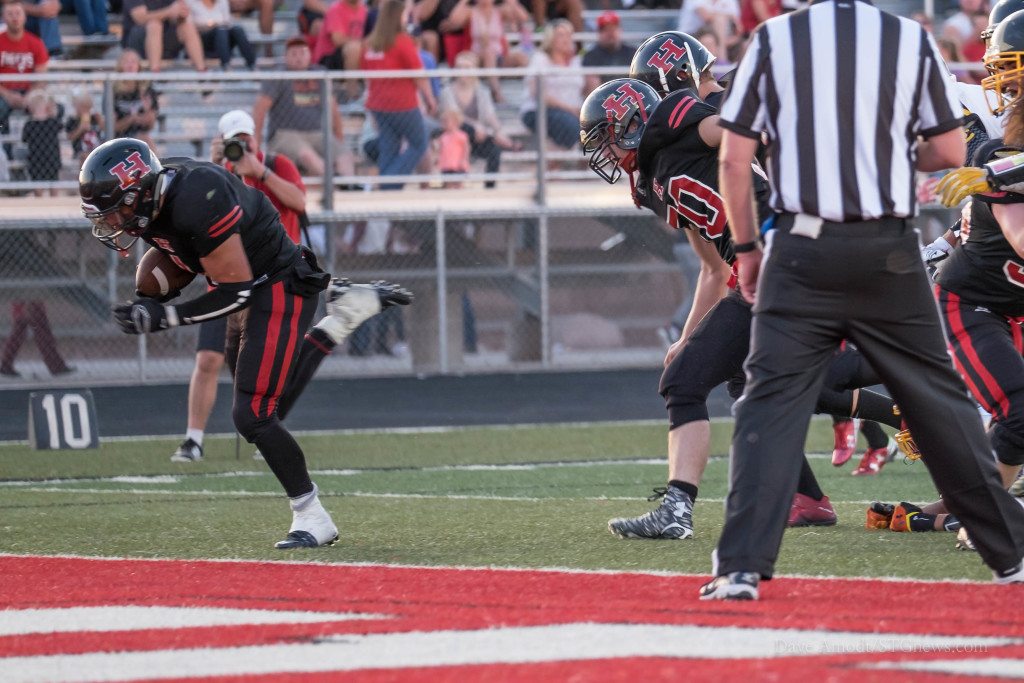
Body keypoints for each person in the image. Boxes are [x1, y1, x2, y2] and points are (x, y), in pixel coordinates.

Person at [704, 0, 1024, 600]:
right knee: (939, 403)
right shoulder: (908, 39)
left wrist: (746, 247)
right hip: (888, 246)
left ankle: (740, 567)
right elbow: (950, 154)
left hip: (801, 246)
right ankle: (1010, 556)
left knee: (769, 404)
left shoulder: (773, 39)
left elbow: (734, 157)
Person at [80, 137, 412, 547]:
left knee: (252, 413)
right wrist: (153, 294)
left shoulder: (198, 199)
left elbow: (236, 289)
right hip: (248, 285)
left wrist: (165, 316)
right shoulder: (157, 196)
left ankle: (311, 514)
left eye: (117, 210)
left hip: (277, 283)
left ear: (140, 192)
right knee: (263, 409)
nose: (112, 223)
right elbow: (197, 262)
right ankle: (340, 320)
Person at [172, 110, 308, 462]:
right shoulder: (215, 175)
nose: (241, 147)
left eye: (245, 140)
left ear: (255, 138)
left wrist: (259, 171)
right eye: (234, 142)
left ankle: (267, 432)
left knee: (265, 368)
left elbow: (299, 201)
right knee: (207, 359)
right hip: (227, 282)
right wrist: (218, 166)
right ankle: (193, 439)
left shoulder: (277, 164)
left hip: (271, 282)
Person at [252, 36, 356, 185]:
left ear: (310, 56)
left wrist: (338, 139)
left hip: (316, 133)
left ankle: (349, 185)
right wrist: (257, 141)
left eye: (302, 53)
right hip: (285, 134)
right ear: (286, 57)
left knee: (345, 154)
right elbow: (260, 108)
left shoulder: (319, 74)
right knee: (307, 155)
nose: (299, 58)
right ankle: (333, 184)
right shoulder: (278, 76)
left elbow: (333, 109)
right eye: (294, 54)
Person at [359, 0, 436, 190]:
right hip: (402, 104)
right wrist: (430, 99)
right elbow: (419, 75)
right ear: (397, 16)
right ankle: (388, 184)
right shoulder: (402, 41)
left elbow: (366, 78)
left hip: (379, 105)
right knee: (419, 144)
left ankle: (387, 189)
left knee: (389, 148)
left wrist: (370, 108)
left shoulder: (369, 44)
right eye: (404, 14)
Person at [438, 50, 521, 189]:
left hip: (477, 138)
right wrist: (476, 126)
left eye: (467, 68)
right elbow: (454, 117)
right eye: (460, 68)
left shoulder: (482, 91)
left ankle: (490, 188)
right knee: (465, 128)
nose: (463, 72)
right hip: (455, 136)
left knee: (495, 150)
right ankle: (509, 144)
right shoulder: (447, 92)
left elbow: (490, 115)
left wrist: (498, 130)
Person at [520, 19, 583, 152]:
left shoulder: (577, 61)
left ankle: (558, 163)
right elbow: (537, 93)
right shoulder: (540, 59)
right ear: (551, 38)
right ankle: (553, 164)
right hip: (540, 110)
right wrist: (570, 109)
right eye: (561, 35)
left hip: (571, 113)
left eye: (569, 34)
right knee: (572, 126)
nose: (566, 39)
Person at [0, 2, 48, 137]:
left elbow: (41, 78)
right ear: (3, 18)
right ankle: (5, 150)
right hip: (3, 93)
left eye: (18, 13)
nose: (14, 18)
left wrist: (29, 97)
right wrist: (9, 96)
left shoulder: (36, 43)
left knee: (52, 109)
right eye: (10, 14)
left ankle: (37, 150)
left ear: (24, 17)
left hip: (29, 92)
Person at [121, 0, 207, 72]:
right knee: (155, 25)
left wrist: (181, 13)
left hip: (165, 38)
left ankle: (202, 72)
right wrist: (169, 12)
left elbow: (175, 14)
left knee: (186, 25)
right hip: (138, 41)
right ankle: (155, 73)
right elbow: (140, 18)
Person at [0, 300, 73, 378]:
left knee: (22, 329)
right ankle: (55, 365)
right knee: (39, 328)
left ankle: (6, 364)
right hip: (29, 298)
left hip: (28, 298)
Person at [185, 0, 257, 70]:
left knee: (237, 29)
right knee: (220, 30)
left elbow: (228, 22)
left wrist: (216, 25)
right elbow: (188, 26)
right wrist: (208, 26)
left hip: (222, 35)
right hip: (202, 38)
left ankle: (252, 64)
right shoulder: (191, 2)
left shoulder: (222, 1)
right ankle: (226, 66)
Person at [109, 49, 159, 150]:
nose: (130, 66)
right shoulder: (113, 91)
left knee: (144, 138)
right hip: (118, 138)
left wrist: (147, 112)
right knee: (143, 140)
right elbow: (110, 128)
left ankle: (155, 165)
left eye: (133, 62)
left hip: (141, 136)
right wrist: (130, 120)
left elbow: (151, 125)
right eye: (126, 62)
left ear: (138, 66)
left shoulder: (146, 89)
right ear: (120, 66)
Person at [581, 10, 635, 96]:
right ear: (598, 32)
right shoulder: (591, 56)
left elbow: (639, 81)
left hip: (632, 98)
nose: (610, 33)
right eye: (605, 29)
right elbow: (595, 93)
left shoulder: (633, 53)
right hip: (605, 103)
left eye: (613, 28)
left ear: (620, 29)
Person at [21, 89, 61, 197]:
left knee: (38, 182)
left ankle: (39, 199)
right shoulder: (52, 122)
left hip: (36, 158)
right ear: (47, 107)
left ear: (30, 109)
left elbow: (24, 139)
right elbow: (60, 125)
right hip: (51, 157)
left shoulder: (29, 124)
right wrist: (52, 112)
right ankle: (54, 199)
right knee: (53, 180)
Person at [311, 0, 367, 70]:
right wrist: (363, 42)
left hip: (345, 55)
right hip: (327, 58)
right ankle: (352, 81)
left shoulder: (364, 10)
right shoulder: (335, 9)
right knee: (354, 48)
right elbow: (337, 40)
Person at [65, 90, 105, 164]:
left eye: (89, 107)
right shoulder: (73, 120)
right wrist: (80, 128)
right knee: (85, 157)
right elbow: (70, 137)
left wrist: (100, 120)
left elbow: (104, 129)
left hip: (96, 149)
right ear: (76, 106)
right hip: (80, 152)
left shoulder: (94, 118)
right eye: (84, 107)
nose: (87, 110)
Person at [436, 107, 470, 188]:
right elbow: (440, 150)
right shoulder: (443, 136)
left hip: (458, 164)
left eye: (446, 121)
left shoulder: (461, 135)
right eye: (442, 121)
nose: (443, 124)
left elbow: (466, 148)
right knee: (447, 184)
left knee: (458, 183)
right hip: (446, 164)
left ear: (456, 122)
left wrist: (464, 159)